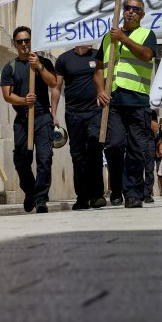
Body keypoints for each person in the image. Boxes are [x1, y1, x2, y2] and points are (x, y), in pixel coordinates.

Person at [94, 0, 157, 209]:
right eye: (127, 8)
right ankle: (117, 187)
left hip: (137, 100)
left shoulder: (147, 35)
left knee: (137, 149)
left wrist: (124, 39)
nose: (130, 12)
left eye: (136, 9)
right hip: (114, 101)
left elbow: (147, 55)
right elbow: (99, 67)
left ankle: (133, 193)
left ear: (142, 14)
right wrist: (101, 89)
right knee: (114, 145)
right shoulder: (108, 38)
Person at [0, 26, 57, 213]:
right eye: (20, 41)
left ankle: (41, 197)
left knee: (44, 158)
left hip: (42, 118)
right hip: (22, 119)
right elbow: (7, 95)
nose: (24, 44)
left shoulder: (44, 62)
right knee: (21, 160)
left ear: (32, 41)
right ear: (15, 44)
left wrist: (39, 67)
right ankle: (30, 190)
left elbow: (53, 83)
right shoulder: (10, 67)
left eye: (27, 40)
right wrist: (23, 100)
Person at [51, 44, 105, 211]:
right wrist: (53, 113)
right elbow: (56, 87)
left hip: (95, 110)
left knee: (95, 146)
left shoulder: (99, 55)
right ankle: (82, 197)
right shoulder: (63, 59)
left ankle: (97, 195)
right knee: (78, 155)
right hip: (73, 113)